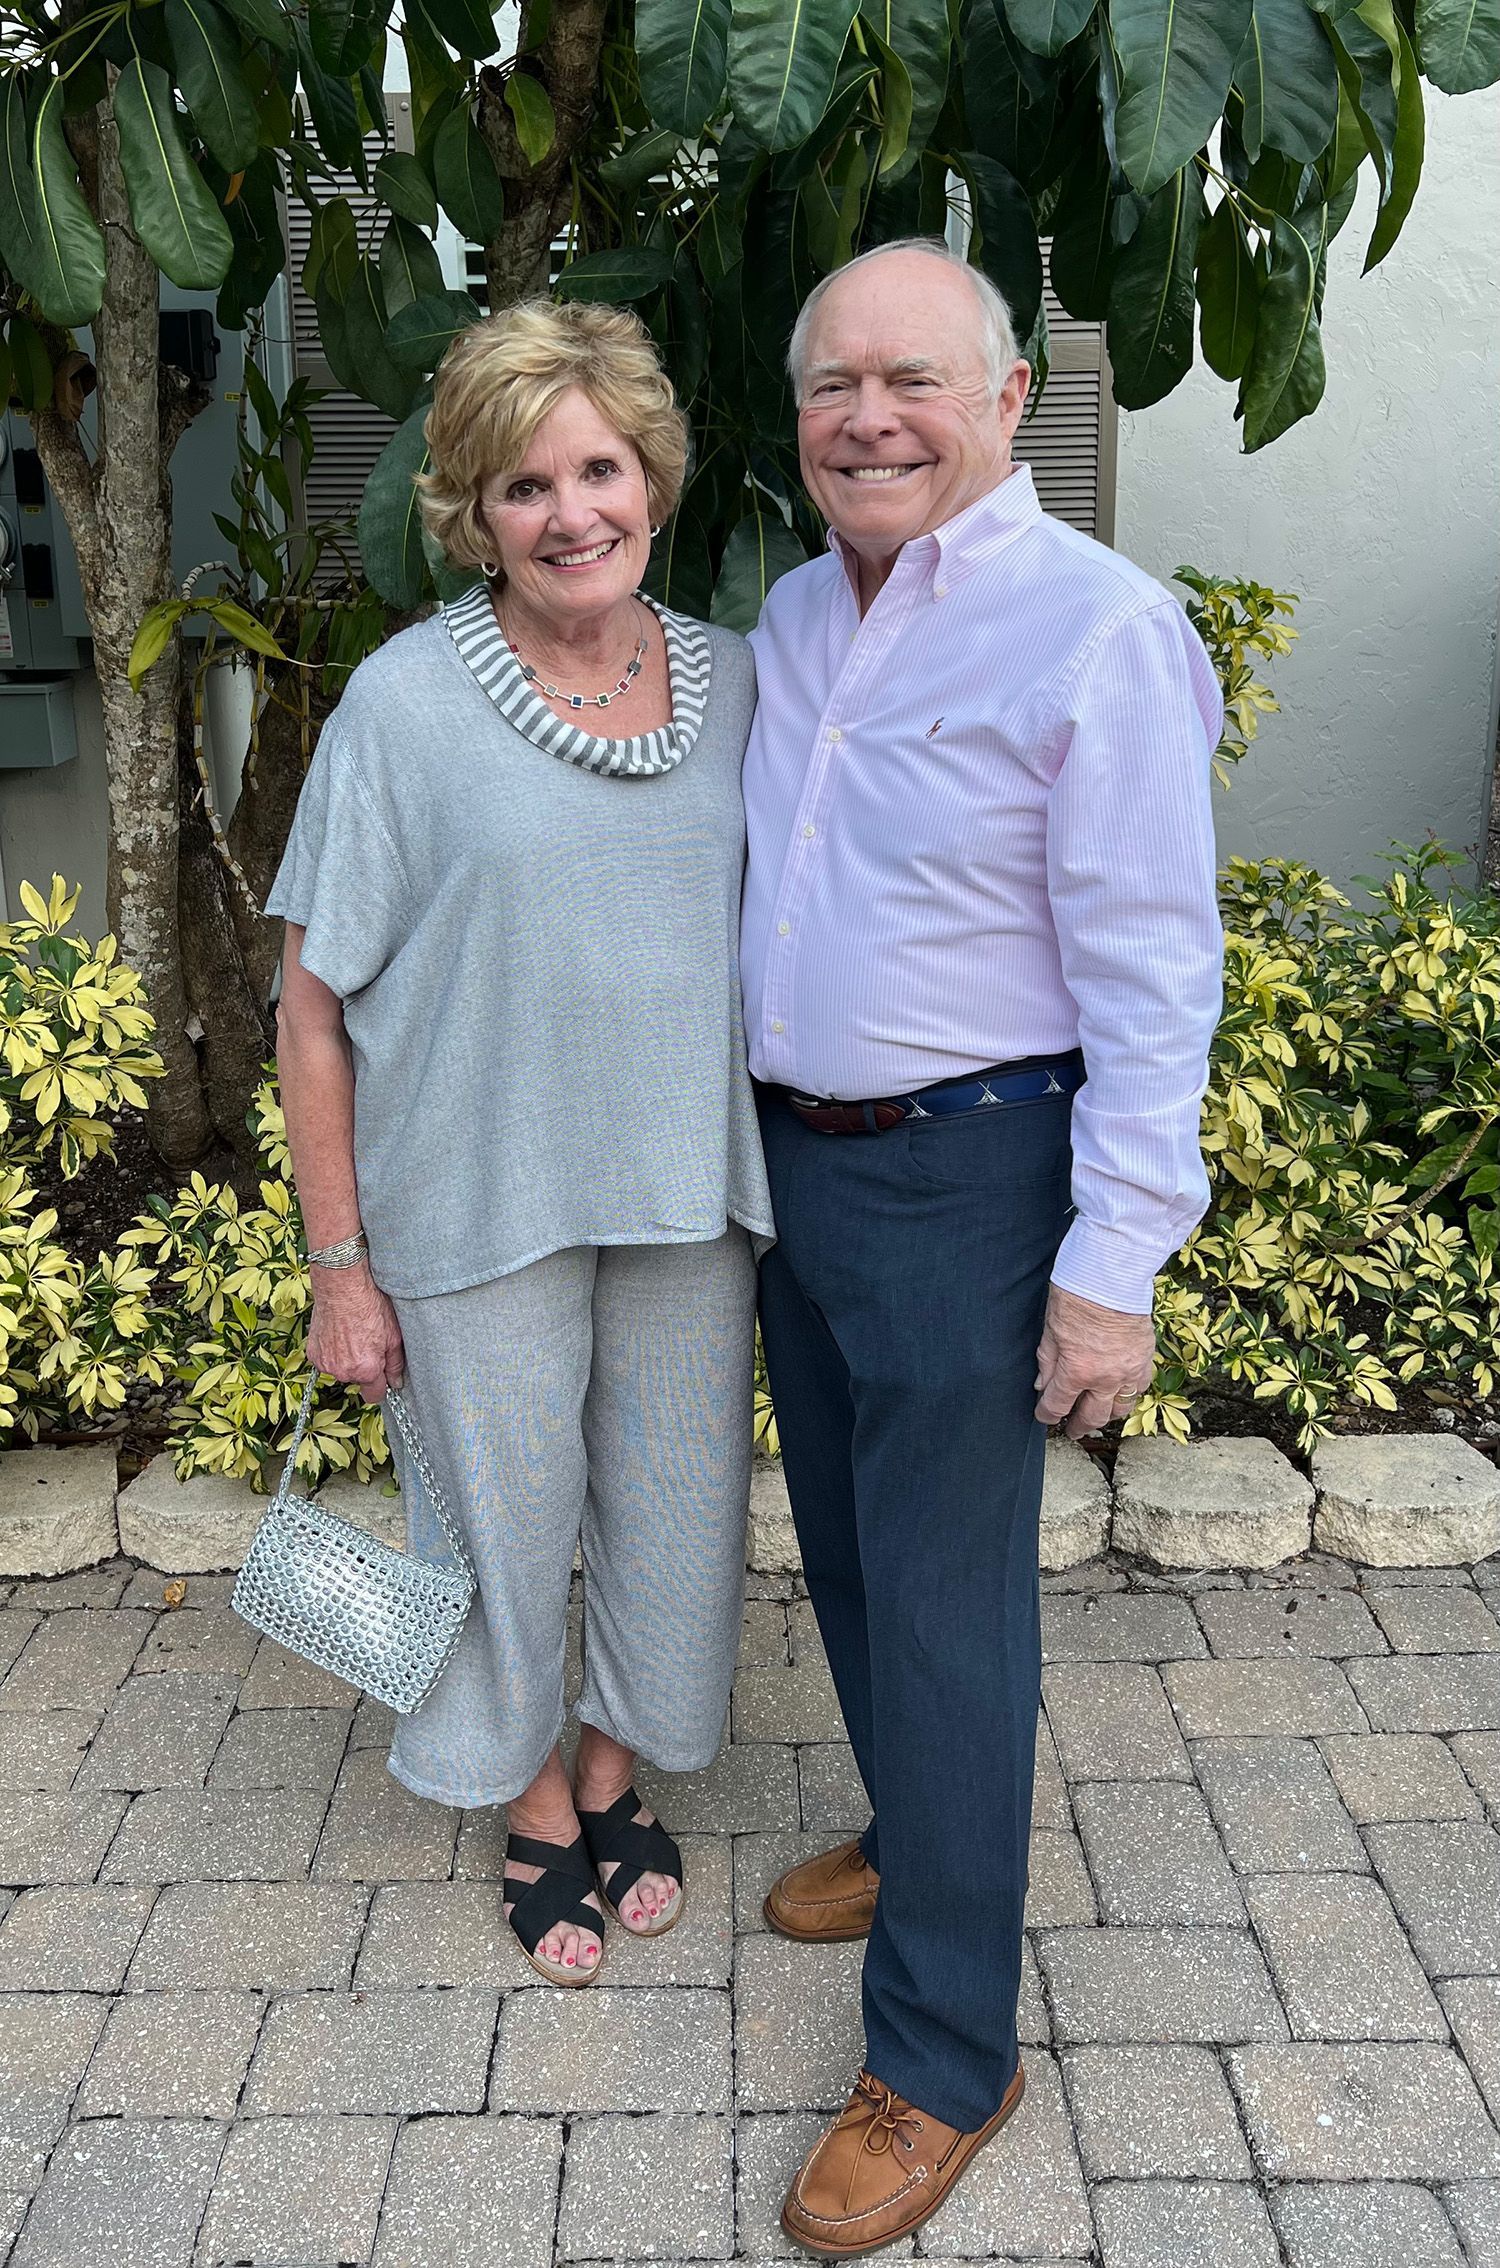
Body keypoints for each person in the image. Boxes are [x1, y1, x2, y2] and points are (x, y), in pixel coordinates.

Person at [743, 239, 1223, 2254]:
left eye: (915, 380)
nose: (871, 417)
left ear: (1010, 399)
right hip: (795, 1172)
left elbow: (1152, 964)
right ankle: (924, 1829)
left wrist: (1117, 1260)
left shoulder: (1096, 628)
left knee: (949, 1606)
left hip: (972, 1174)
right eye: (834, 385)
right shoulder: (782, 615)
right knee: (853, 1554)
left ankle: (945, 2050)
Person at [269, 298, 774, 1988]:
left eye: (600, 469)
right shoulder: (405, 712)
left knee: (680, 1512)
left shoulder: (744, 685)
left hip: (687, 1200)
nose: (571, 515)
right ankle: (540, 1797)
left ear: (654, 476)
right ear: (468, 511)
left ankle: (621, 1761)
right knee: (497, 1527)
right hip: (474, 1206)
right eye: (521, 486)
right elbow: (311, 1007)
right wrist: (339, 1268)